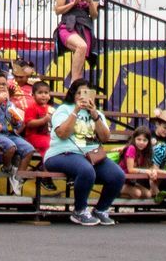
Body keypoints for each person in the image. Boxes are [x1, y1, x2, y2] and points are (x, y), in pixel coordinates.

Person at [45, 78, 124, 226]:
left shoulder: (97, 113)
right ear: (73, 94)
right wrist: (76, 111)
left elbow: (105, 137)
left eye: (86, 93)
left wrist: (94, 115)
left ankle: (101, 210)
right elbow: (62, 133)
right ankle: (79, 211)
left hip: (91, 154)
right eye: (79, 93)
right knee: (86, 170)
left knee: (117, 175)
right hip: (62, 153)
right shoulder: (63, 109)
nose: (83, 96)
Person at [54, 0, 102, 84]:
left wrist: (90, 2)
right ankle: (74, 83)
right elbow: (58, 10)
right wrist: (73, 3)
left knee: (81, 55)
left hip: (85, 27)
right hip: (68, 26)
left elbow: (94, 15)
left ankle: (77, 86)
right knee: (81, 46)